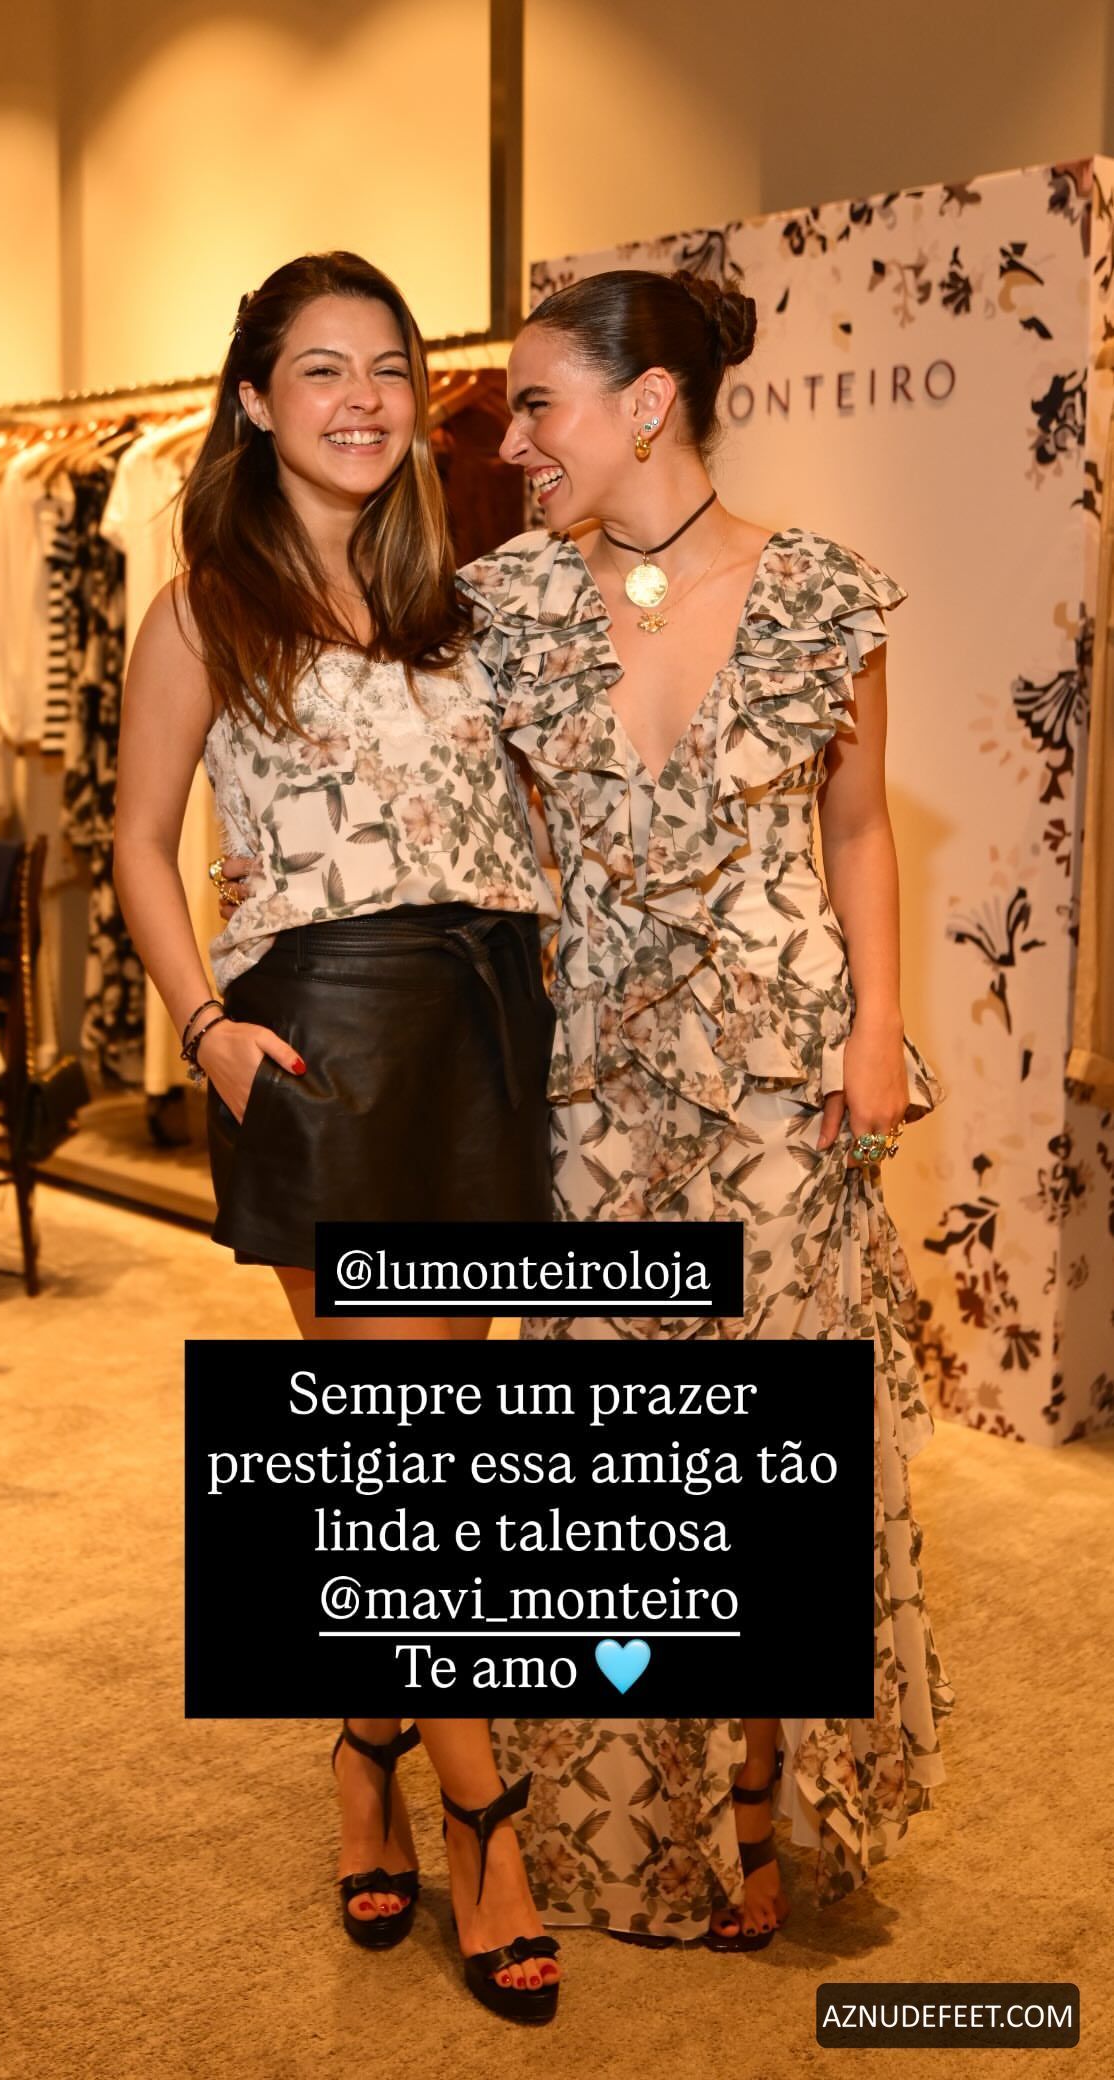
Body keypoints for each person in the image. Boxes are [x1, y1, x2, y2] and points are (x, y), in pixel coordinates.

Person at [453, 267, 953, 1951]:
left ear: (646, 402)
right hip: (586, 1078)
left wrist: (877, 1026)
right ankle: (620, 1817)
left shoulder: (823, 595)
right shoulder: (502, 605)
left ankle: (754, 1798)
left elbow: (857, 829)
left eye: (537, 404)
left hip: (775, 1081)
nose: (511, 442)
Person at [114, 250, 560, 2021]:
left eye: (388, 367)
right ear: (253, 398)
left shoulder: (466, 601)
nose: (364, 398)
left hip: (489, 1022)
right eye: (322, 368)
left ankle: (366, 1742)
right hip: (324, 1032)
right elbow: (142, 837)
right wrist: (204, 1029)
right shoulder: (200, 610)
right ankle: (484, 1818)